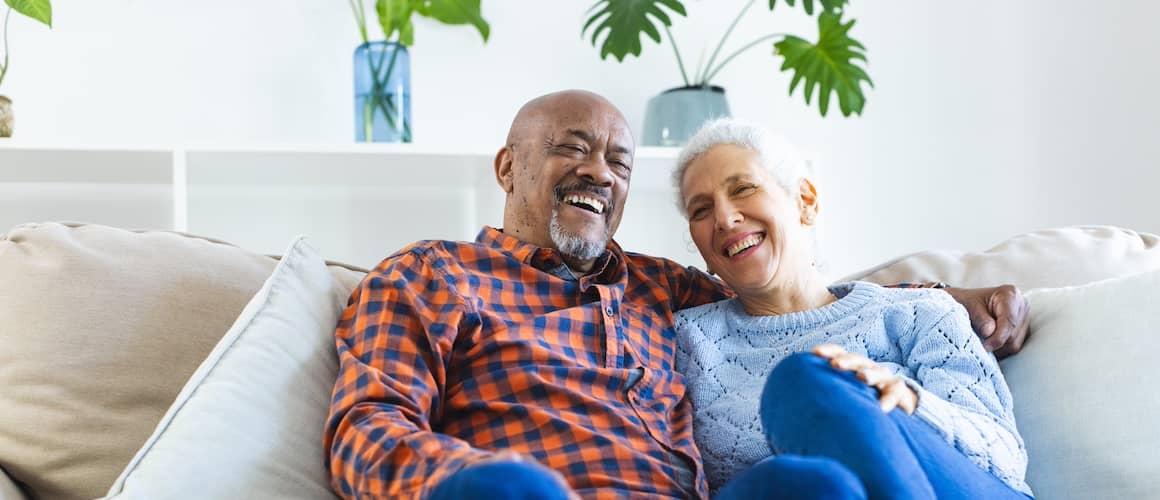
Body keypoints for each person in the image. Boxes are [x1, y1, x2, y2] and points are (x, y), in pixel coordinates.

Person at [322, 90, 1032, 499]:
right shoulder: (431, 274)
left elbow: (790, 294)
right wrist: (477, 480)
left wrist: (947, 295)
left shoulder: (658, 288)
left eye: (619, 163)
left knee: (810, 487)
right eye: (574, 148)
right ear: (510, 165)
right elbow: (367, 423)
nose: (598, 172)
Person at [672, 119, 1032, 499]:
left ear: (805, 202)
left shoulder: (923, 312)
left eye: (743, 188)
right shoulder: (685, 343)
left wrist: (907, 404)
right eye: (701, 211)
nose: (725, 218)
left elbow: (1005, 459)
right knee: (802, 483)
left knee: (805, 382)